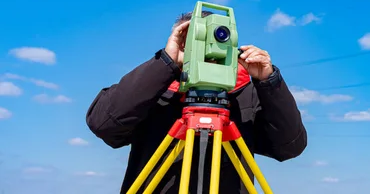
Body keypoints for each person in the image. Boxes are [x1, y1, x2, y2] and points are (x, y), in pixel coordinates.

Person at [85, 11, 307, 194]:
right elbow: (103, 124)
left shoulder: (244, 95)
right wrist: (165, 63)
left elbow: (290, 146)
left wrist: (269, 82)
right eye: (194, 39)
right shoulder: (154, 90)